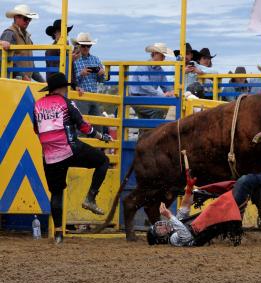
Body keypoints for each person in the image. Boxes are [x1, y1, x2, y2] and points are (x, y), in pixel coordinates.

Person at [147, 153, 261, 246]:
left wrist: (190, 188)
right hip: (223, 215)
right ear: (161, 238)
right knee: (245, 181)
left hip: (220, 214)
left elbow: (185, 206)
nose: (161, 226)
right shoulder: (173, 239)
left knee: (249, 181)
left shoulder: (175, 225)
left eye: (159, 225)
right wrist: (170, 216)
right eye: (159, 230)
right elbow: (186, 236)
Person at [33, 72, 111, 244]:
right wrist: (101, 136)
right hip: (70, 148)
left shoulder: (38, 105)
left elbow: (36, 129)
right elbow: (83, 126)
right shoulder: (66, 103)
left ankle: (59, 234)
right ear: (62, 88)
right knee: (103, 161)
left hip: (49, 155)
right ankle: (90, 198)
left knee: (56, 192)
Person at [129, 42, 175, 120]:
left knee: (145, 121)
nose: (164, 58)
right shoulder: (143, 67)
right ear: (155, 54)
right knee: (158, 111)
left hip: (148, 98)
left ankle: (148, 130)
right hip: (137, 98)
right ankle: (155, 130)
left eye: (164, 56)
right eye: (162, 55)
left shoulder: (160, 70)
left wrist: (171, 93)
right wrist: (163, 95)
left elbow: (167, 87)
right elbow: (145, 86)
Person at [1, 4, 44, 82]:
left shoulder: (27, 37)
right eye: (25, 19)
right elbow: (5, 60)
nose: (28, 21)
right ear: (16, 17)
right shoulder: (10, 33)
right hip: (12, 82)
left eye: (29, 19)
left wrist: (44, 82)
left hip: (22, 83)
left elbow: (31, 66)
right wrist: (23, 76)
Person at [72, 32, 105, 123]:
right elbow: (69, 79)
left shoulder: (96, 59)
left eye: (88, 46)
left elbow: (102, 80)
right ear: (78, 46)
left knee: (97, 126)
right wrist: (81, 74)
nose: (86, 48)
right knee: (82, 125)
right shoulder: (73, 60)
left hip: (93, 96)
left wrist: (101, 74)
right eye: (83, 46)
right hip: (80, 96)